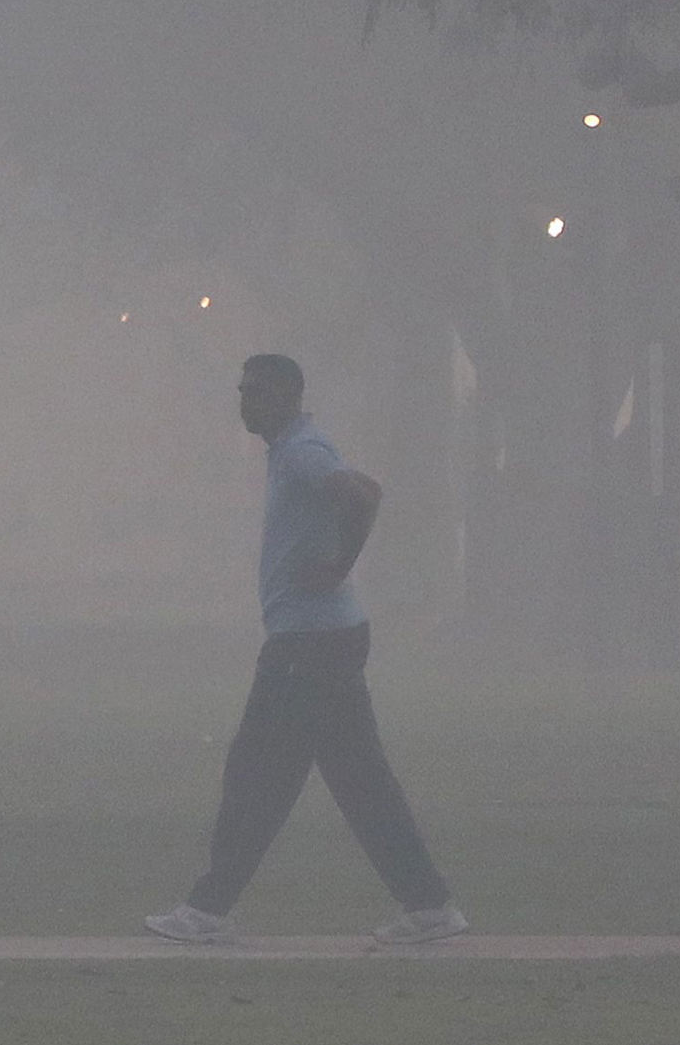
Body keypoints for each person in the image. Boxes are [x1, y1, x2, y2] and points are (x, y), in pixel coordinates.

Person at [144, 354, 467, 948]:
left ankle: (207, 910)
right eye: (242, 391)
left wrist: (341, 563)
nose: (247, 402)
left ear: (291, 395)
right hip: (323, 641)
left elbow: (365, 494)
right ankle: (428, 905)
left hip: (309, 645)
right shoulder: (294, 449)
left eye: (259, 393)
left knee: (256, 775)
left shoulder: (300, 452)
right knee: (358, 782)